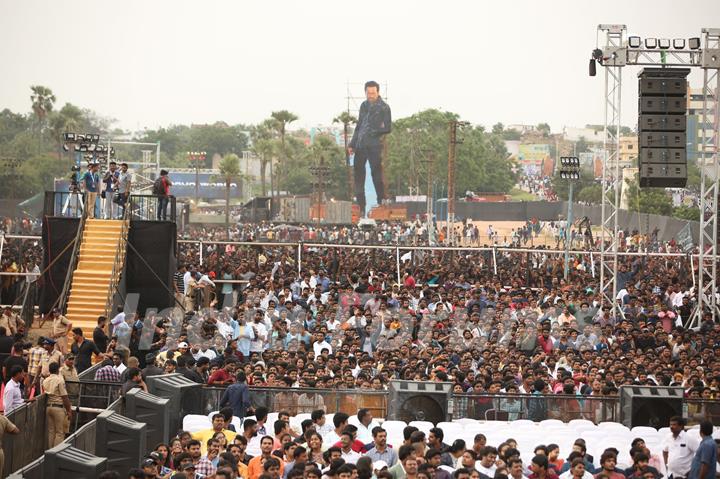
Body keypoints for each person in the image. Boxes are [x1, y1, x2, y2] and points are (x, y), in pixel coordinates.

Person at [348, 80, 392, 214]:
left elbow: (388, 128)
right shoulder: (363, 105)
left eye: (373, 93)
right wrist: (352, 144)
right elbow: (359, 125)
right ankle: (361, 206)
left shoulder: (384, 107)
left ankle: (381, 202)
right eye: (368, 93)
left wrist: (374, 131)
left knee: (376, 175)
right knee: (358, 176)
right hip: (360, 145)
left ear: (378, 92)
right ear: (365, 92)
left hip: (374, 145)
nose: (370, 95)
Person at [43, 361, 72, 448]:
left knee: (51, 431)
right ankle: (56, 454)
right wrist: (69, 411)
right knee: (60, 432)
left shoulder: (45, 380)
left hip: (48, 407)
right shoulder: (59, 380)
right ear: (58, 370)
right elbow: (64, 397)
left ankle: (49, 452)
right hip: (58, 408)